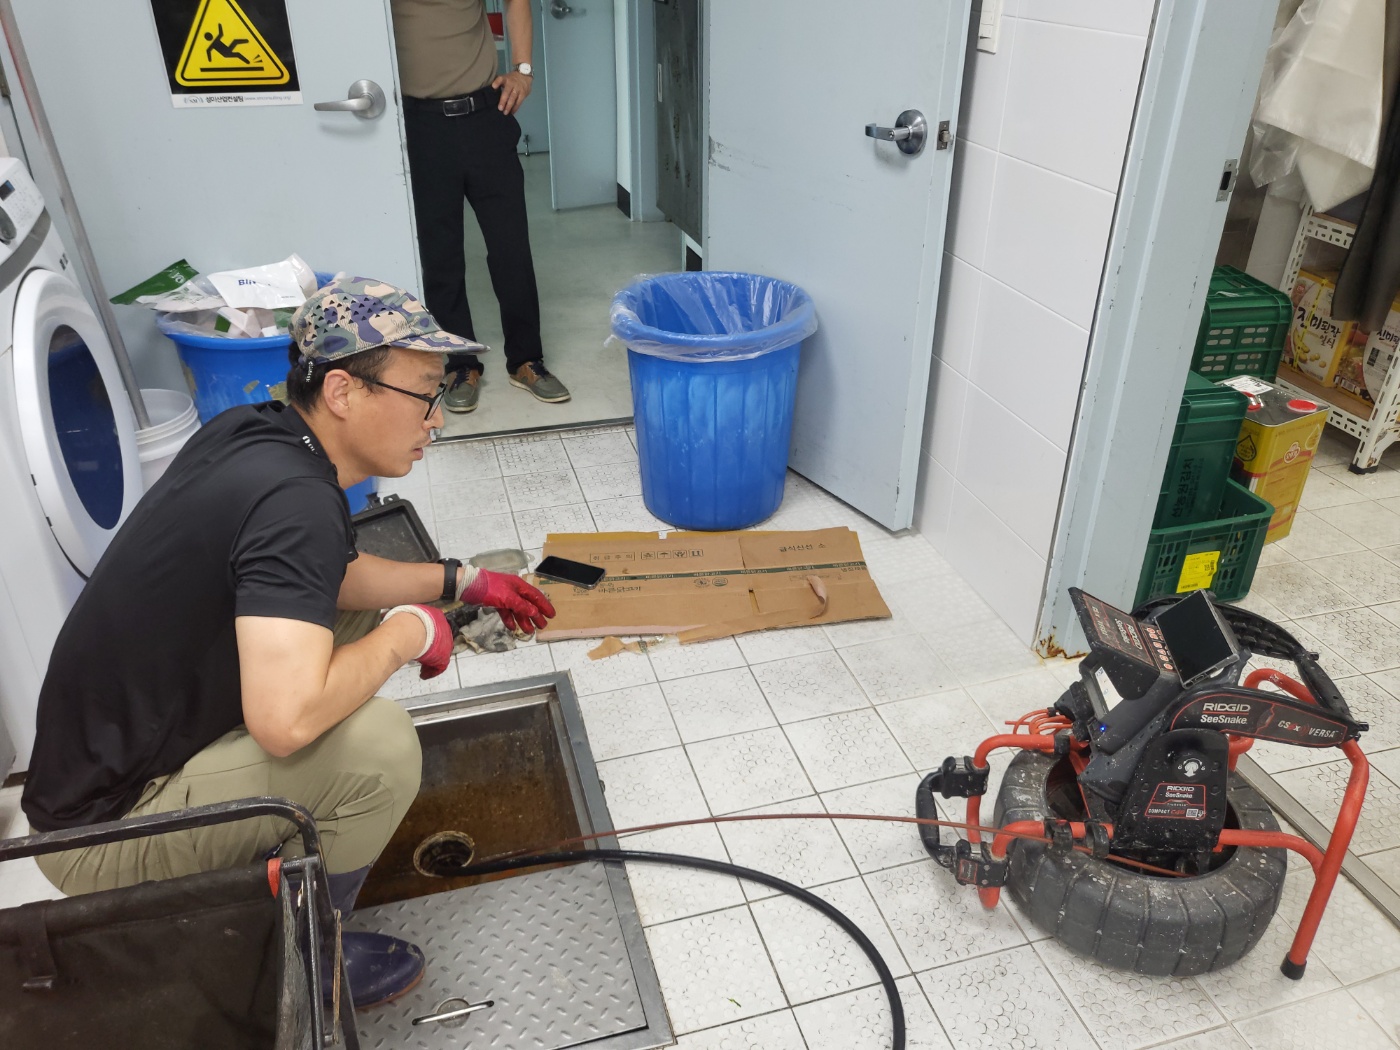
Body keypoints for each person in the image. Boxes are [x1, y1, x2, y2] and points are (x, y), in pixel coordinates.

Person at [20, 276, 557, 1009]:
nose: (436, 418)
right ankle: (303, 961)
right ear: (343, 391)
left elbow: (325, 576)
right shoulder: (297, 501)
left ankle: (281, 865)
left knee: (353, 625)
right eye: (424, 394)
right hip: (104, 833)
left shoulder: (258, 433)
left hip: (107, 765)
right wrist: (411, 631)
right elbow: (286, 722)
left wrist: (460, 581)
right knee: (379, 751)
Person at [391, 0, 571, 413]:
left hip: (484, 116)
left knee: (511, 249)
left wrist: (523, 70)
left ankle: (526, 360)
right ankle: (460, 365)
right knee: (441, 256)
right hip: (420, 125)